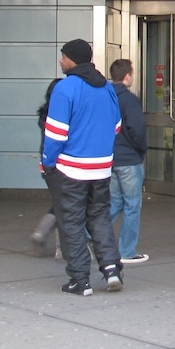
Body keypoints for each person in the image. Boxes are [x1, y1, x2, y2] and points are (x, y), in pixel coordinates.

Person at [41, 39, 123, 296]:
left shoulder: (65, 88)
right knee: (99, 217)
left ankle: (80, 280)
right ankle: (111, 269)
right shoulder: (107, 88)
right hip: (101, 168)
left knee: (71, 222)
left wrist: (47, 163)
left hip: (71, 169)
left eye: (63, 56)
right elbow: (117, 125)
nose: (60, 61)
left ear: (72, 59)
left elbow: (55, 134)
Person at [109, 58, 149, 264]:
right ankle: (127, 250)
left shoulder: (104, 97)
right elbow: (137, 130)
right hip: (129, 159)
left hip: (110, 159)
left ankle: (90, 237)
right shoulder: (130, 100)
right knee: (132, 204)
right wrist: (141, 151)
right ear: (127, 76)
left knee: (114, 202)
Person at [30, 76, 62, 257]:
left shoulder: (44, 114)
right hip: (61, 164)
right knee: (66, 204)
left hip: (47, 164)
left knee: (61, 201)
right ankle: (47, 236)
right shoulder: (61, 114)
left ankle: (43, 233)